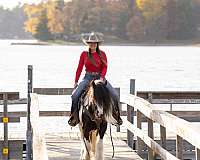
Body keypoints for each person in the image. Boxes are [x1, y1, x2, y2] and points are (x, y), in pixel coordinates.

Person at [68, 32, 119, 127]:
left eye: (95, 43)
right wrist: (76, 81)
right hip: (87, 77)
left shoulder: (102, 54)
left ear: (97, 44)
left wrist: (102, 78)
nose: (93, 45)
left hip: (100, 77)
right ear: (88, 44)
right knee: (74, 95)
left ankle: (115, 117)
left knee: (115, 95)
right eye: (91, 43)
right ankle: (74, 117)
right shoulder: (84, 54)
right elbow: (79, 68)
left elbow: (105, 67)